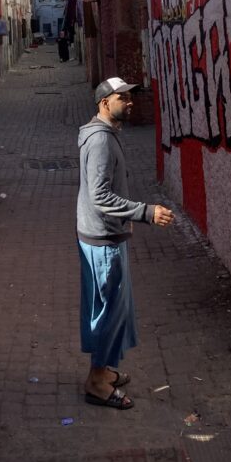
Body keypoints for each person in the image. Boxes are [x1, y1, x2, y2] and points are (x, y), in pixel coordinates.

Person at [77, 76, 174, 410]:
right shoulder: (101, 141)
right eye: (124, 98)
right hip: (103, 238)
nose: (131, 102)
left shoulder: (101, 133)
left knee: (109, 311)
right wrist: (144, 212)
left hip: (101, 233)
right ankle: (96, 381)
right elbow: (100, 195)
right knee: (108, 314)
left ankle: (102, 372)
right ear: (105, 102)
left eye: (131, 97)